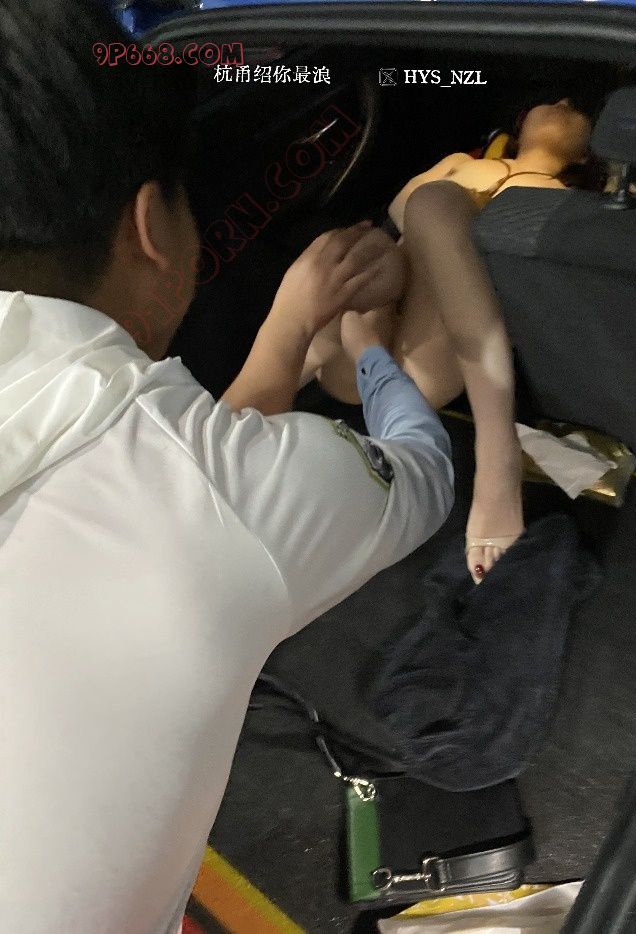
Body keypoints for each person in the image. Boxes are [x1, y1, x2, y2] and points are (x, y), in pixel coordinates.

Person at [0, 2, 454, 931]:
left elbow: (186, 479)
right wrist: (369, 353)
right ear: (151, 225)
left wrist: (288, 330)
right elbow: (421, 469)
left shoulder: (170, 483)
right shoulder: (202, 501)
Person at [302, 99, 594, 583]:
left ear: (586, 155)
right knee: (383, 237)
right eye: (553, 99)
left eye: (577, 105)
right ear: (519, 123)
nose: (562, 102)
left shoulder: (571, 202)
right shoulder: (460, 161)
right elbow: (397, 213)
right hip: (356, 346)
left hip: (422, 369)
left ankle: (496, 461)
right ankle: (254, 402)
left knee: (433, 203)